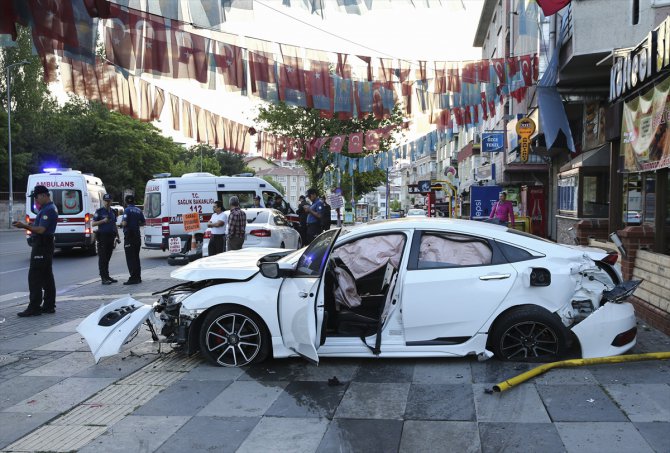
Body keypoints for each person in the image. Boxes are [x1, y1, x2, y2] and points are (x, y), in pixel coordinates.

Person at [13, 185, 58, 316]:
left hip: (42, 245)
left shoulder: (48, 209)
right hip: (45, 244)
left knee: (35, 277)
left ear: (44, 195)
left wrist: (24, 226)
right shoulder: (47, 208)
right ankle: (49, 305)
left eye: (37, 197)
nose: (36, 200)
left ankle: (34, 307)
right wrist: (31, 225)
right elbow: (40, 226)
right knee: (46, 276)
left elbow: (41, 230)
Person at [92, 194, 121, 284]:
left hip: (111, 237)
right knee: (103, 258)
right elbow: (93, 224)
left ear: (111, 201)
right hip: (102, 237)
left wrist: (118, 236)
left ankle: (107, 275)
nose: (107, 202)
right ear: (103, 201)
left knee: (108, 257)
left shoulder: (112, 212)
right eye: (106, 201)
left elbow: (114, 225)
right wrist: (103, 221)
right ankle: (103, 278)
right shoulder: (99, 211)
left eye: (109, 201)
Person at [122, 194, 145, 285]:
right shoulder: (139, 210)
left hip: (129, 236)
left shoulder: (127, 210)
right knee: (136, 257)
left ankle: (133, 278)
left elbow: (124, 223)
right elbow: (143, 222)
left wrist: (121, 224)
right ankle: (138, 277)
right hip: (137, 236)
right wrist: (136, 223)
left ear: (126, 202)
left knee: (130, 258)